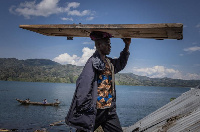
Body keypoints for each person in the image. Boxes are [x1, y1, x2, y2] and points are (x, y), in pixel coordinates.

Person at [65, 31, 131, 132]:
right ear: (99, 45)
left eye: (110, 44)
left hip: (109, 111)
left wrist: (127, 46)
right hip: (96, 111)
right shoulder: (92, 62)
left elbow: (120, 64)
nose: (110, 46)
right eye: (108, 44)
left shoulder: (108, 62)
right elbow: (83, 87)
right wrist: (87, 108)